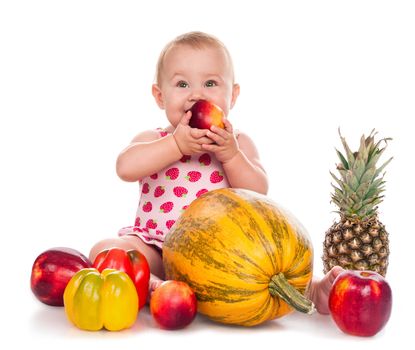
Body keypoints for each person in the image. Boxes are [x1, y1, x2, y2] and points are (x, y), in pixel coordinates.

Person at [89, 31, 342, 314]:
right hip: (156, 245)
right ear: (160, 96)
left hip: (222, 257)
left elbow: (259, 193)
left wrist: (231, 155)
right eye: (182, 84)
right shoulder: (155, 138)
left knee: (267, 266)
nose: (196, 94)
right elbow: (125, 167)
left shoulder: (238, 144)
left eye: (210, 83)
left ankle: (313, 289)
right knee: (107, 250)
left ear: (232, 95)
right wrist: (175, 144)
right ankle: (155, 286)